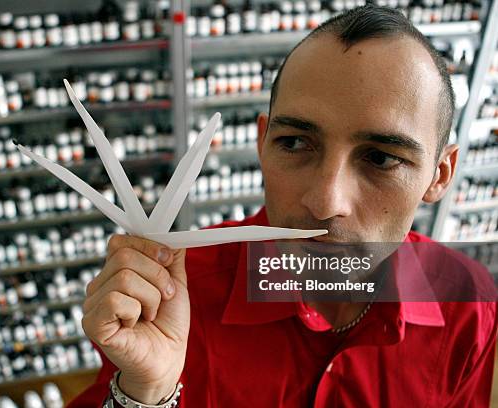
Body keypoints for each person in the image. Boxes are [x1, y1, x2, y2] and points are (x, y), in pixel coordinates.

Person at [69, 4, 498, 407]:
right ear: (262, 143)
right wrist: (146, 393)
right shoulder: (177, 290)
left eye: (381, 158)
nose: (326, 202)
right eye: (294, 143)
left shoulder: (468, 303)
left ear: (439, 176)